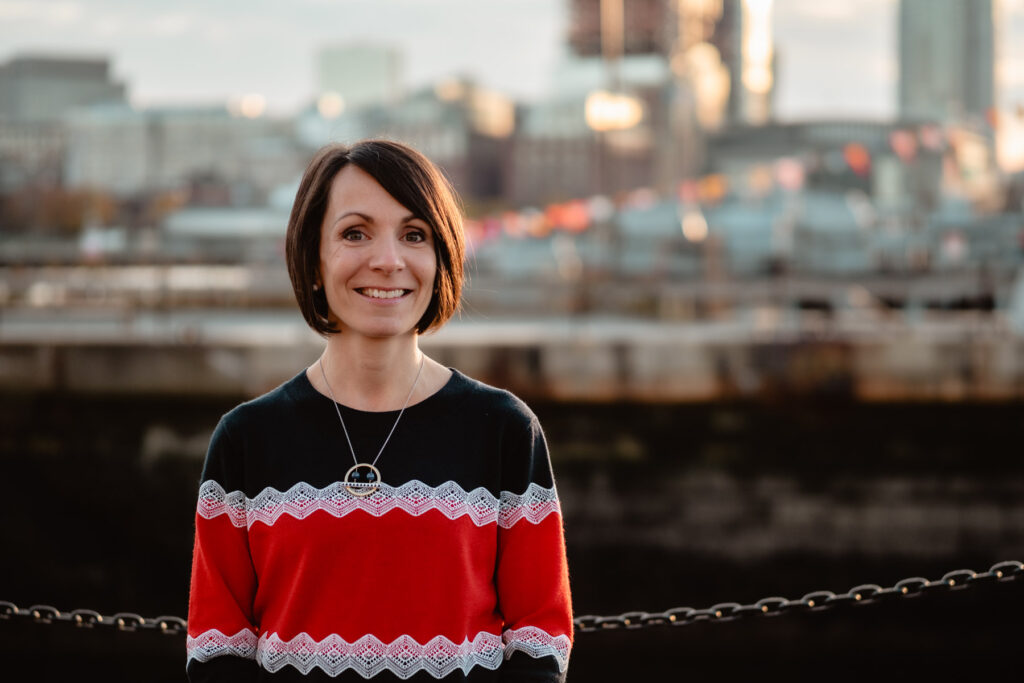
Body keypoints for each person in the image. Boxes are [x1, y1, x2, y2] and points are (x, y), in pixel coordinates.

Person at [185, 139, 573, 682]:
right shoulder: (246, 438)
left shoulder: (506, 430)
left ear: (440, 259)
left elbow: (541, 639)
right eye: (354, 233)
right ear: (313, 261)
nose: (388, 261)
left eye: (414, 235)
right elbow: (216, 648)